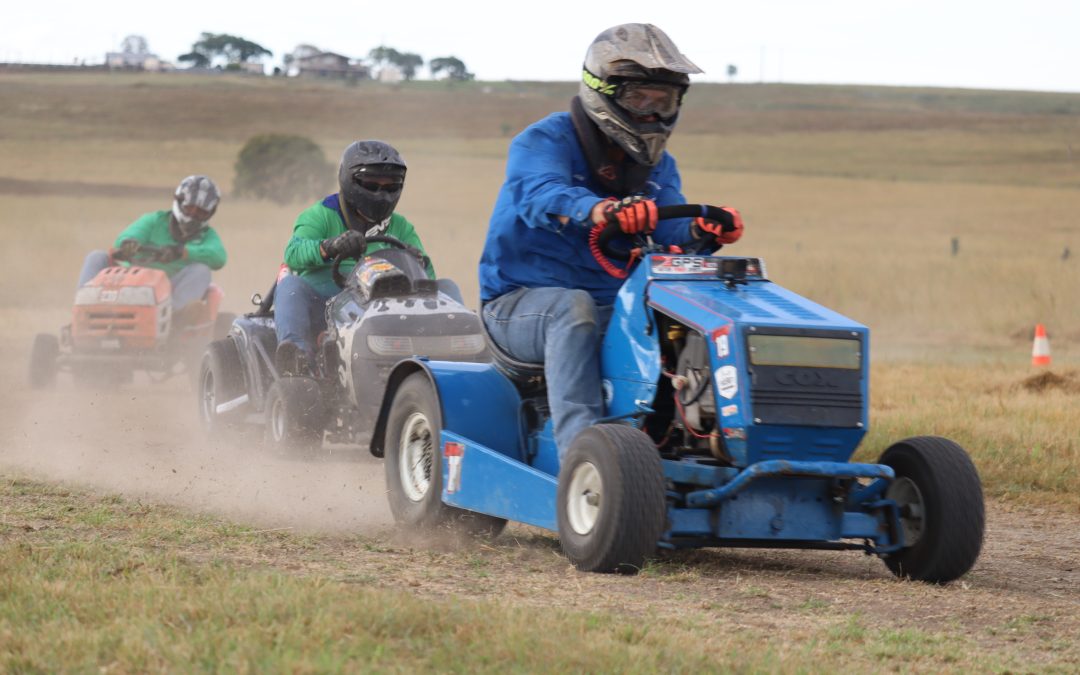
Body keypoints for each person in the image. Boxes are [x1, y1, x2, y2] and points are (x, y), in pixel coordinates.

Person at [478, 23, 746, 459]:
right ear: (602, 92)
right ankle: (581, 456)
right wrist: (599, 210)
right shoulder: (544, 140)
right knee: (574, 308)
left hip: (615, 306)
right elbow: (539, 194)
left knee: (698, 316)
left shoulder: (659, 167)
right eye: (639, 99)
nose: (652, 114)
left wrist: (702, 231)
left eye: (665, 102)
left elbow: (666, 226)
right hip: (518, 306)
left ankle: (706, 441)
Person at [274, 140, 446, 376]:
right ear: (350, 181)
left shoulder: (401, 227)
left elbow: (430, 280)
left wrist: (418, 262)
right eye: (371, 184)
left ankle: (450, 360)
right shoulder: (321, 215)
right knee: (289, 286)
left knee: (447, 288)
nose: (381, 194)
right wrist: (330, 246)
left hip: (384, 306)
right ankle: (298, 360)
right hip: (325, 299)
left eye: (390, 186)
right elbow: (293, 253)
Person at [77, 175, 227, 317]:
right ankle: (85, 307)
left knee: (201, 271)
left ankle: (172, 317)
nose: (193, 215)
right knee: (97, 257)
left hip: (170, 290)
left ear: (210, 213)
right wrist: (128, 244)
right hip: (132, 281)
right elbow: (130, 235)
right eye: (189, 208)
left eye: (200, 212)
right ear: (179, 202)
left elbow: (218, 257)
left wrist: (182, 252)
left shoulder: (207, 235)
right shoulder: (154, 220)